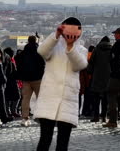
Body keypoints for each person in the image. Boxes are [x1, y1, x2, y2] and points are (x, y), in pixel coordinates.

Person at [35, 17, 88, 151]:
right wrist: (56, 35)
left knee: (63, 142)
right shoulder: (54, 45)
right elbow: (41, 51)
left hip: (68, 99)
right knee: (45, 139)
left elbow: (80, 65)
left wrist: (70, 47)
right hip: (49, 97)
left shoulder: (81, 49)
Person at [17, 36, 46, 127]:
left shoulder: (23, 53)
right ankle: (41, 117)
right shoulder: (39, 52)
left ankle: (25, 118)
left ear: (28, 41)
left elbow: (18, 62)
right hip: (38, 78)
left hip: (26, 79)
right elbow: (43, 64)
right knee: (40, 98)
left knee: (25, 99)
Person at [87, 36, 112, 123]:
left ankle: (96, 116)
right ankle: (104, 116)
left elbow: (91, 62)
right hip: (108, 77)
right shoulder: (112, 49)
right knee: (105, 99)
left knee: (96, 98)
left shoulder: (96, 49)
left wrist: (90, 72)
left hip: (97, 76)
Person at [3, 48, 21, 119]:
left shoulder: (3, 61)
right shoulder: (11, 62)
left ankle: (8, 111)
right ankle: (13, 110)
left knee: (7, 98)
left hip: (6, 82)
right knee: (17, 96)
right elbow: (15, 73)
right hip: (12, 82)